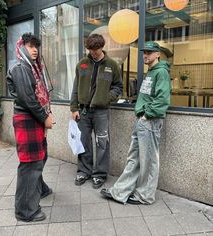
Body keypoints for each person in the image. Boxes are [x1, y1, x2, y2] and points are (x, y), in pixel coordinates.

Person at [100, 41, 171, 204]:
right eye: (144, 52)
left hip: (150, 121)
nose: (146, 55)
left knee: (149, 160)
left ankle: (145, 195)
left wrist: (147, 115)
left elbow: (162, 99)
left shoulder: (161, 73)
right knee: (135, 158)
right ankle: (120, 191)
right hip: (143, 120)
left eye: (149, 52)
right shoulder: (152, 72)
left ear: (158, 54)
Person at [7, 33, 54, 222]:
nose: (34, 50)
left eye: (36, 46)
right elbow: (28, 99)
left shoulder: (31, 67)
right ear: (21, 47)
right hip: (27, 119)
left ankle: (39, 188)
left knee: (40, 156)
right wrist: (44, 118)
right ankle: (25, 210)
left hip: (32, 118)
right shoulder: (21, 68)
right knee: (30, 163)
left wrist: (46, 115)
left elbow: (36, 96)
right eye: (30, 46)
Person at [70, 34, 123, 189]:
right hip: (84, 111)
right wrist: (74, 108)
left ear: (102, 47)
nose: (93, 53)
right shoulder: (82, 65)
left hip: (101, 111)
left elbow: (118, 87)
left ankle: (99, 174)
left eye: (96, 49)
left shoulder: (112, 65)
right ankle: (83, 171)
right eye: (91, 50)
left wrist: (106, 98)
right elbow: (75, 89)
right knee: (83, 142)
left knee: (102, 143)